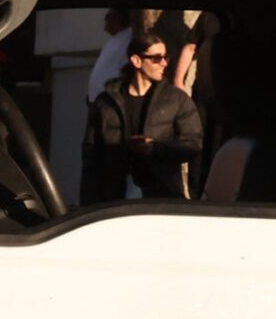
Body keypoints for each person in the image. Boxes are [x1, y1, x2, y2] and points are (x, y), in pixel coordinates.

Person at [83, 27, 204, 201]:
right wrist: (87, 203)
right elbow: (90, 155)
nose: (164, 63)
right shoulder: (106, 102)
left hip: (160, 198)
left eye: (165, 57)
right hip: (112, 201)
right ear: (136, 61)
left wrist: (155, 148)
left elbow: (193, 144)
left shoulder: (176, 100)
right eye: (156, 58)